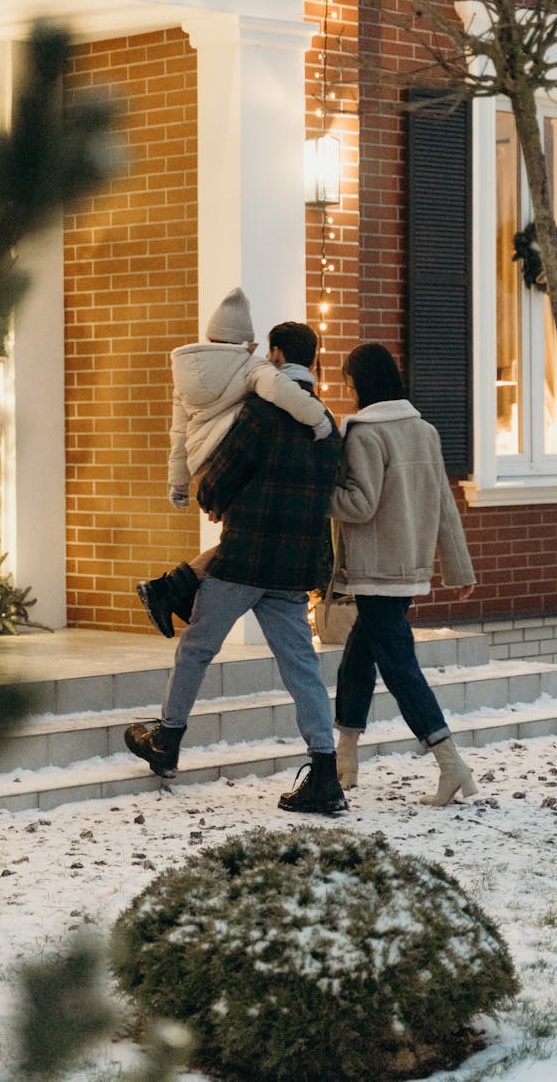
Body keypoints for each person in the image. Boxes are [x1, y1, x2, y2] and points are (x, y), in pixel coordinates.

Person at [125, 321, 348, 815]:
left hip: (241, 560)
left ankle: (168, 741)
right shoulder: (327, 424)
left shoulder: (259, 413)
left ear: (275, 354)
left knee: (197, 649)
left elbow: (218, 480)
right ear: (311, 362)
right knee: (301, 669)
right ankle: (324, 771)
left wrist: (210, 498)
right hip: (292, 571)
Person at [328, 342, 477, 806]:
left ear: (362, 383)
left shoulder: (364, 435)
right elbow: (444, 505)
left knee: (398, 666)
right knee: (357, 660)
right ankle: (344, 759)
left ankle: (450, 761)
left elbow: (360, 503)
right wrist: (458, 567)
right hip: (408, 568)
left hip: (375, 571)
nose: (346, 388)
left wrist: (314, 495)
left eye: (348, 380)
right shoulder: (424, 431)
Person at [136, 287, 332, 638]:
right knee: (248, 538)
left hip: (204, 464)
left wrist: (179, 484)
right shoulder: (252, 368)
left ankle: (168, 590)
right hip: (231, 457)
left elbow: (177, 435)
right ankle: (168, 590)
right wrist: (319, 420)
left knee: (243, 538)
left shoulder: (184, 373)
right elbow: (283, 392)